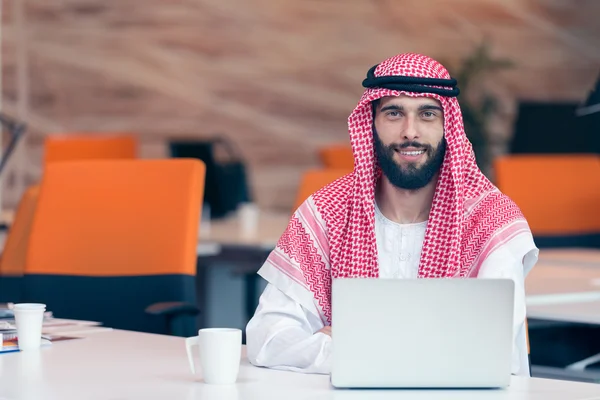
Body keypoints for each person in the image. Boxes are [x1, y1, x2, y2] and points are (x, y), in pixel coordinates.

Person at [245, 53, 539, 376]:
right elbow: (268, 337)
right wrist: (417, 350)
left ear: (447, 126)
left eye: (427, 114)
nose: (409, 132)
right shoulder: (327, 212)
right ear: (371, 124)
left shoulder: (489, 221)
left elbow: (485, 353)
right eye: (394, 113)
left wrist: (351, 344)